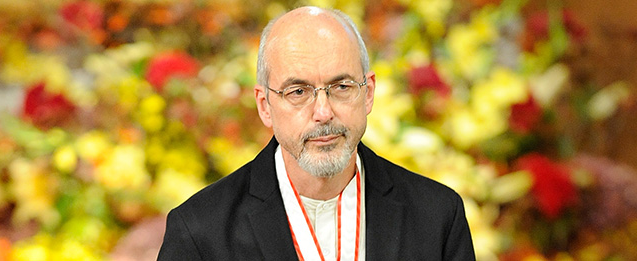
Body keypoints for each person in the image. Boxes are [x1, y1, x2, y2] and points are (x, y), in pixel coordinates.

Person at [158, 6, 475, 261]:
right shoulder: (200, 232)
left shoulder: (437, 216)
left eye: (341, 87)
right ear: (264, 104)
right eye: (298, 91)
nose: (323, 112)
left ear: (368, 93)